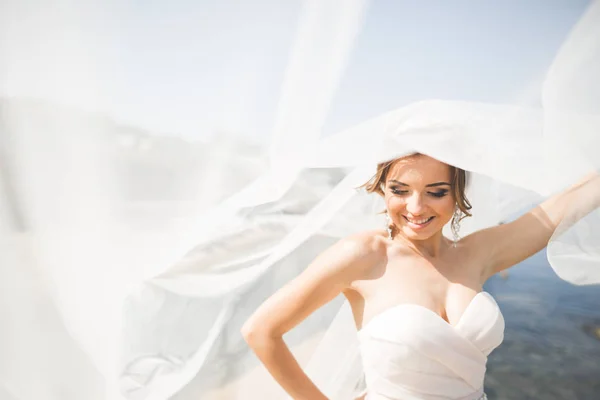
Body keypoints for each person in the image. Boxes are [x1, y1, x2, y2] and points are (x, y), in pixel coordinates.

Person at [241, 152, 600, 400]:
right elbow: (261, 331)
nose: (415, 208)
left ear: (458, 195)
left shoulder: (478, 253)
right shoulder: (363, 256)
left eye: (436, 192)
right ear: (383, 190)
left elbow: (565, 205)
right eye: (400, 190)